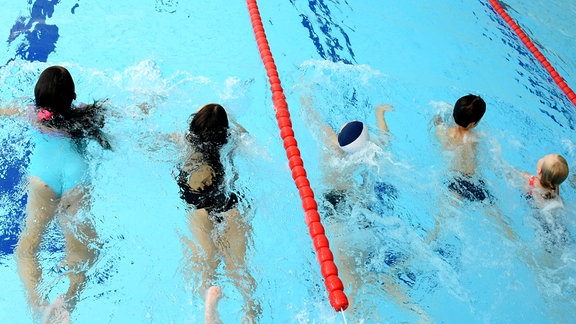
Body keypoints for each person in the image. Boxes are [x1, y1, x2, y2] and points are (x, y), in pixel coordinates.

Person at [7, 66, 110, 321]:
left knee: (28, 247)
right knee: (82, 252)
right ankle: (67, 303)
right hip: (77, 177)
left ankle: (38, 306)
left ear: (38, 96)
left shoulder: (32, 114)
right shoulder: (87, 115)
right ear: (72, 96)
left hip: (44, 178)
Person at [176, 103, 258, 323]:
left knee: (207, 262)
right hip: (228, 204)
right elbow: (248, 138)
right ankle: (249, 311)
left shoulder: (184, 141)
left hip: (198, 206)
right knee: (238, 267)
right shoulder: (231, 142)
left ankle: (210, 305)